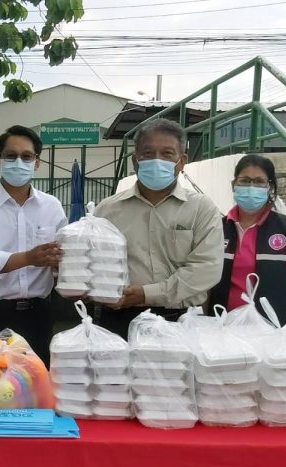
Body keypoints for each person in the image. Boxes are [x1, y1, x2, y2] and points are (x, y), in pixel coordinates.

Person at [95, 118, 223, 338]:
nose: (157, 161)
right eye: (148, 154)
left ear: (182, 161)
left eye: (167, 154)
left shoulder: (201, 208)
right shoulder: (107, 210)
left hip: (180, 320)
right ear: (135, 161)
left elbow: (206, 269)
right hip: (118, 319)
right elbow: (93, 262)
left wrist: (146, 294)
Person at [0, 125, 67, 366]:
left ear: (37, 162)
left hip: (37, 316)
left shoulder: (51, 206)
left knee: (37, 384)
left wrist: (64, 263)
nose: (19, 162)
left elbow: (63, 258)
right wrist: (29, 258)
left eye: (27, 156)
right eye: (11, 155)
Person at [207, 155, 286, 324]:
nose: (251, 187)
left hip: (274, 329)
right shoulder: (217, 228)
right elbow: (205, 283)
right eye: (244, 181)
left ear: (270, 187)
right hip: (222, 327)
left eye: (259, 182)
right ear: (233, 185)